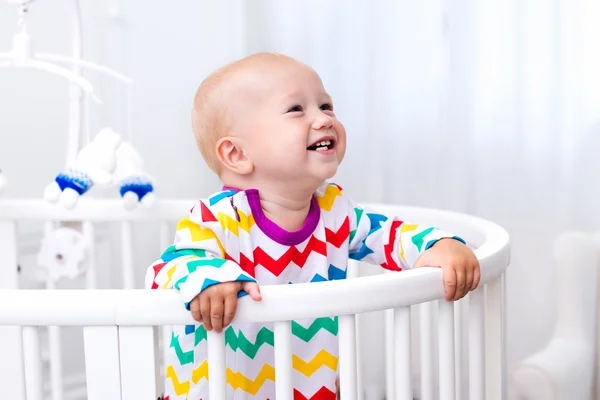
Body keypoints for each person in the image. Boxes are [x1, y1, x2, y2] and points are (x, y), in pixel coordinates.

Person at [146, 52, 480, 400]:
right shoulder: (218, 217)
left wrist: (437, 245)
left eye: (326, 106)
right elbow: (169, 268)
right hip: (220, 389)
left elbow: (389, 235)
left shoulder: (334, 210)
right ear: (237, 155)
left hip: (307, 386)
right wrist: (209, 278)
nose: (323, 119)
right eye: (296, 109)